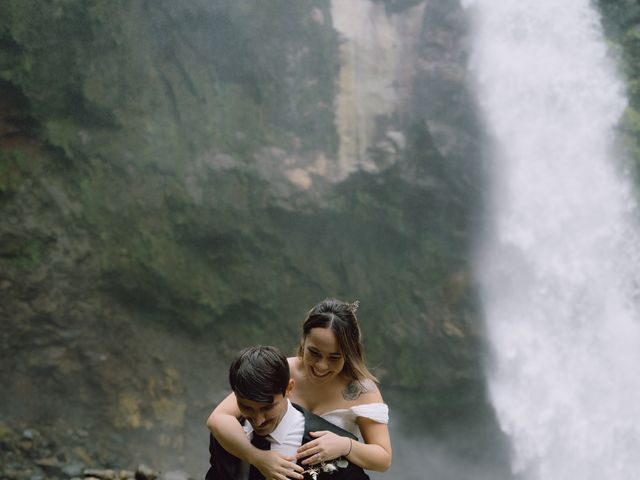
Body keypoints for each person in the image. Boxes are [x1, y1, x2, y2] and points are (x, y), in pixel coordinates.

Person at [207, 299, 392, 480]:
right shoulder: (280, 370)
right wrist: (257, 458)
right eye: (314, 352)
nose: (321, 366)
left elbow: (383, 459)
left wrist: (346, 445)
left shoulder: (362, 391)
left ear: (349, 353)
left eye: (334, 357)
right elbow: (219, 419)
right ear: (304, 339)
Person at [205, 345, 370, 480]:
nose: (258, 420)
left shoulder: (330, 446)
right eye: (247, 407)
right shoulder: (226, 432)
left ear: (289, 389)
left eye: (267, 408)